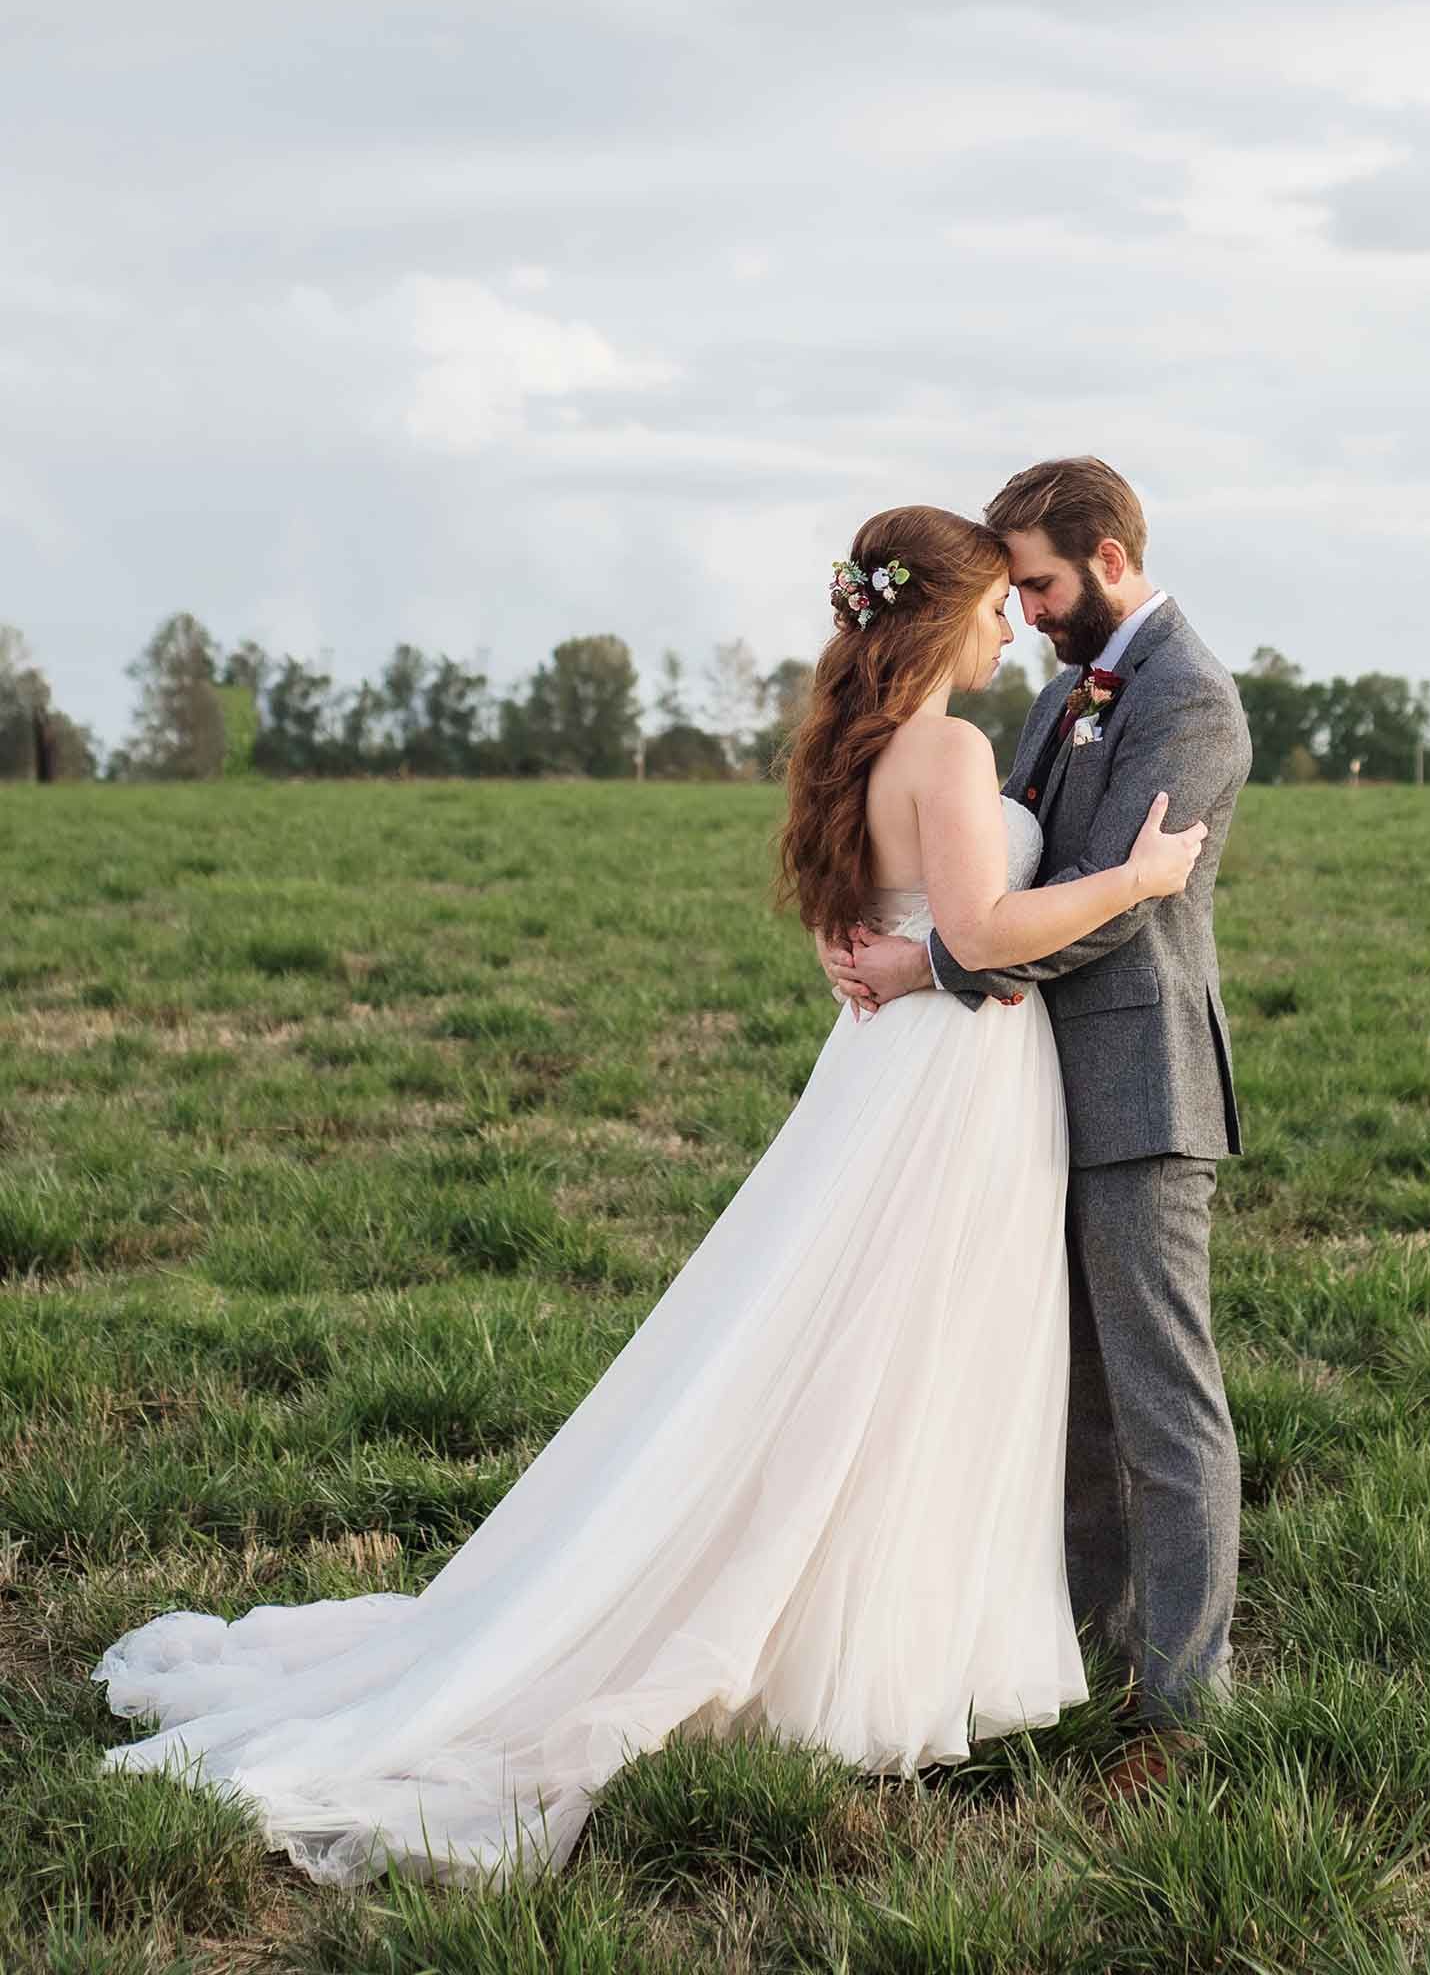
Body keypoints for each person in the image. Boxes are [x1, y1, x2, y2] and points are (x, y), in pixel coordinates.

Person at [91, 503, 1205, 1891]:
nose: (1007, 628)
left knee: (862, 1352)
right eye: (992, 607)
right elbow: (978, 931)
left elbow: (856, 928)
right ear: (939, 617)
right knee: (909, 1357)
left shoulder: (854, 754)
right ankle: (856, 1654)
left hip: (892, 1075)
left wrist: (902, 956)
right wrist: (1137, 878)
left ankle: (851, 1623)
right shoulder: (954, 748)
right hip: (952, 1089)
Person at [824, 456, 1253, 1793]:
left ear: (1109, 561)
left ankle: (1187, 1715)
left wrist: (931, 967)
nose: (1023, 606)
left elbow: (1114, 898)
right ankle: (1074, 1658)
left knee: (1163, 1410)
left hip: (1139, 1093)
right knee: (1071, 1412)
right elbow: (988, 857)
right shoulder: (1072, 687)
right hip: (1026, 1093)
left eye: (1040, 583)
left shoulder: (1190, 703)